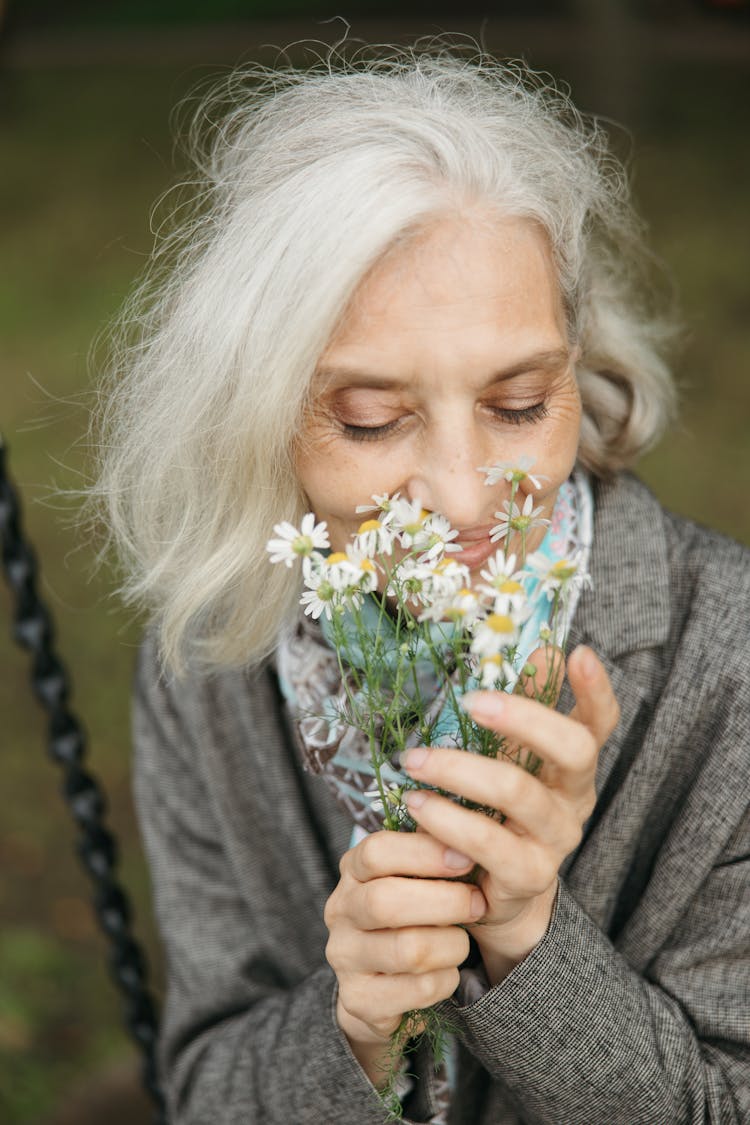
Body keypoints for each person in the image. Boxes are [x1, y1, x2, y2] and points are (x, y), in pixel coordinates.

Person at [90, 45, 749, 1124]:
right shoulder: (215, 663)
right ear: (256, 416)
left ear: (576, 368)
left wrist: (528, 938)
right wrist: (349, 1026)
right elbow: (209, 1084)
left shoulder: (728, 666)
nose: (460, 495)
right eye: (371, 419)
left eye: (521, 402)